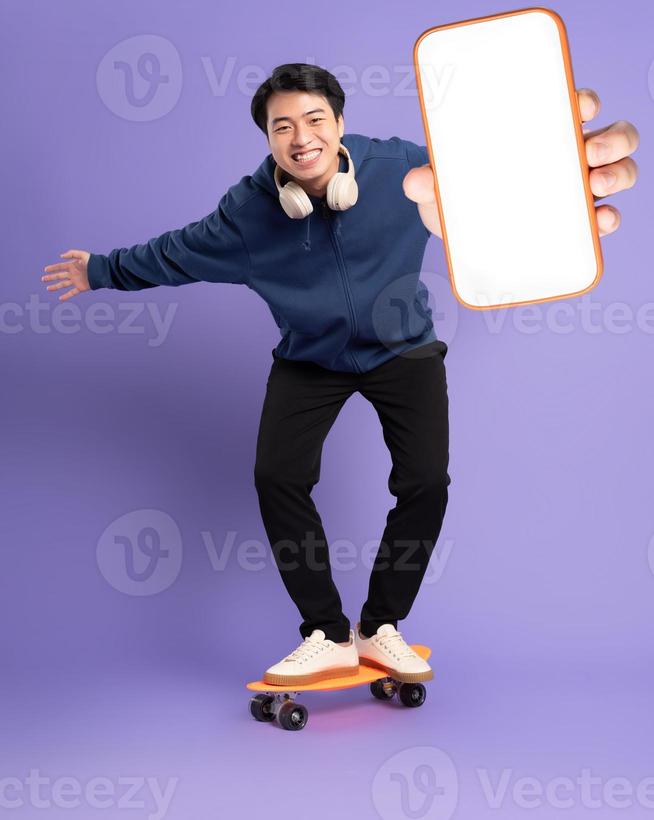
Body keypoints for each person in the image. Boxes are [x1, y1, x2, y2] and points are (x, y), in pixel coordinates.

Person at [41, 64, 639, 687]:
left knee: (426, 481)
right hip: (310, 359)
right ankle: (325, 634)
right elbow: (176, 253)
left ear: (340, 124)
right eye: (282, 127)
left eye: (314, 120)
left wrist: (553, 161)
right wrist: (101, 270)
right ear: (269, 140)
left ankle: (381, 627)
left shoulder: (403, 172)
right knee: (277, 476)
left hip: (404, 349)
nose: (301, 137)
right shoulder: (247, 214)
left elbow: (485, 174)